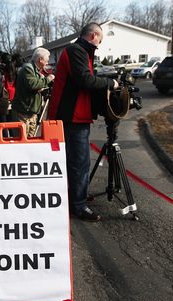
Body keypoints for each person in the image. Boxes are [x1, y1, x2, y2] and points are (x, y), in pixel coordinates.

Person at [49, 22, 119, 222]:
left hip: (75, 116)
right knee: (79, 163)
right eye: (100, 40)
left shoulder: (81, 52)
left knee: (76, 162)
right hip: (71, 118)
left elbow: (85, 80)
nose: (99, 45)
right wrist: (110, 83)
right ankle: (78, 205)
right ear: (94, 35)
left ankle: (76, 197)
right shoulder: (76, 50)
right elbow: (85, 80)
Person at [12, 47, 55, 137]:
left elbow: (35, 86)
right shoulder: (28, 69)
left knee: (31, 140)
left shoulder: (36, 71)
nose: (47, 63)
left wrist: (42, 86)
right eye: (46, 60)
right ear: (40, 60)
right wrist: (48, 79)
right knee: (22, 139)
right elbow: (34, 84)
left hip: (31, 112)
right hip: (23, 112)